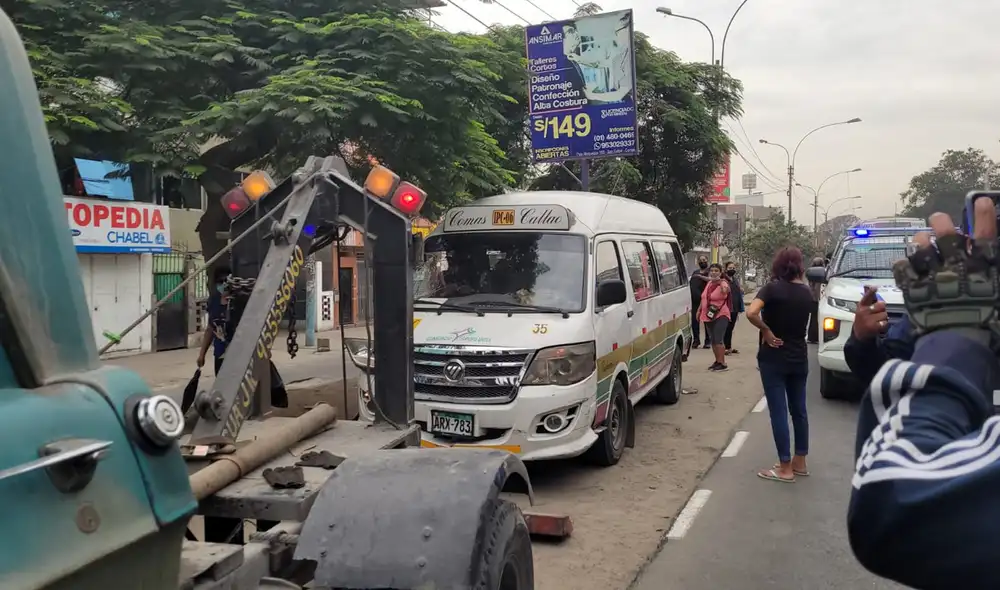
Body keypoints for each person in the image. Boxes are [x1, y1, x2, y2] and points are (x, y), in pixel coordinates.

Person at [847, 200, 1000, 589]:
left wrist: (955, 338)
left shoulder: (954, 310)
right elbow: (887, 375)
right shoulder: (956, 298)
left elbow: (893, 498)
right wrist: (863, 341)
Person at [745, 247, 814, 483]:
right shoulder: (806, 292)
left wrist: (766, 330)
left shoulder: (772, 288)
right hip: (799, 358)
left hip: (773, 358)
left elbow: (751, 312)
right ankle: (800, 461)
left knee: (778, 411)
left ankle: (784, 467)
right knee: (799, 411)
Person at [197, 265, 232, 374]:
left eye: (226, 281)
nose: (223, 284)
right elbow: (210, 328)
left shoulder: (237, 301)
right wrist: (202, 354)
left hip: (237, 354)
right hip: (220, 353)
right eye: (220, 282)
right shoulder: (214, 301)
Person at [697, 263, 731, 371]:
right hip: (708, 315)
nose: (714, 272)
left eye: (716, 271)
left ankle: (723, 363)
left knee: (718, 339)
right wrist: (699, 310)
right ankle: (717, 361)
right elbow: (704, 298)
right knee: (713, 340)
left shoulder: (723, 283)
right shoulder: (710, 283)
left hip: (721, 314)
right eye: (712, 270)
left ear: (721, 273)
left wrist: (723, 288)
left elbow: (726, 290)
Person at [689, 255, 711, 348]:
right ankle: (696, 340)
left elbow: (711, 281)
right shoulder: (695, 272)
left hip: (706, 301)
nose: (702, 262)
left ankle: (707, 341)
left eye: (704, 260)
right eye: (701, 260)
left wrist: (700, 276)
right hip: (695, 302)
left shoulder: (710, 272)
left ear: (707, 261)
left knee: (707, 321)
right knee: (695, 321)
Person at [723, 260, 744, 354]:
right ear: (725, 269)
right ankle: (724, 348)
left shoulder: (735, 280)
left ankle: (729, 346)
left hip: (735, 308)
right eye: (730, 268)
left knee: (730, 328)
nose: (732, 270)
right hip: (726, 308)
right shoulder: (723, 280)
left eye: (733, 268)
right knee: (726, 328)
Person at [807, 256, 826, 343]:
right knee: (816, 318)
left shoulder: (811, 273)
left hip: (813, 299)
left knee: (814, 318)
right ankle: (815, 337)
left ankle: (813, 337)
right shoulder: (822, 273)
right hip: (818, 299)